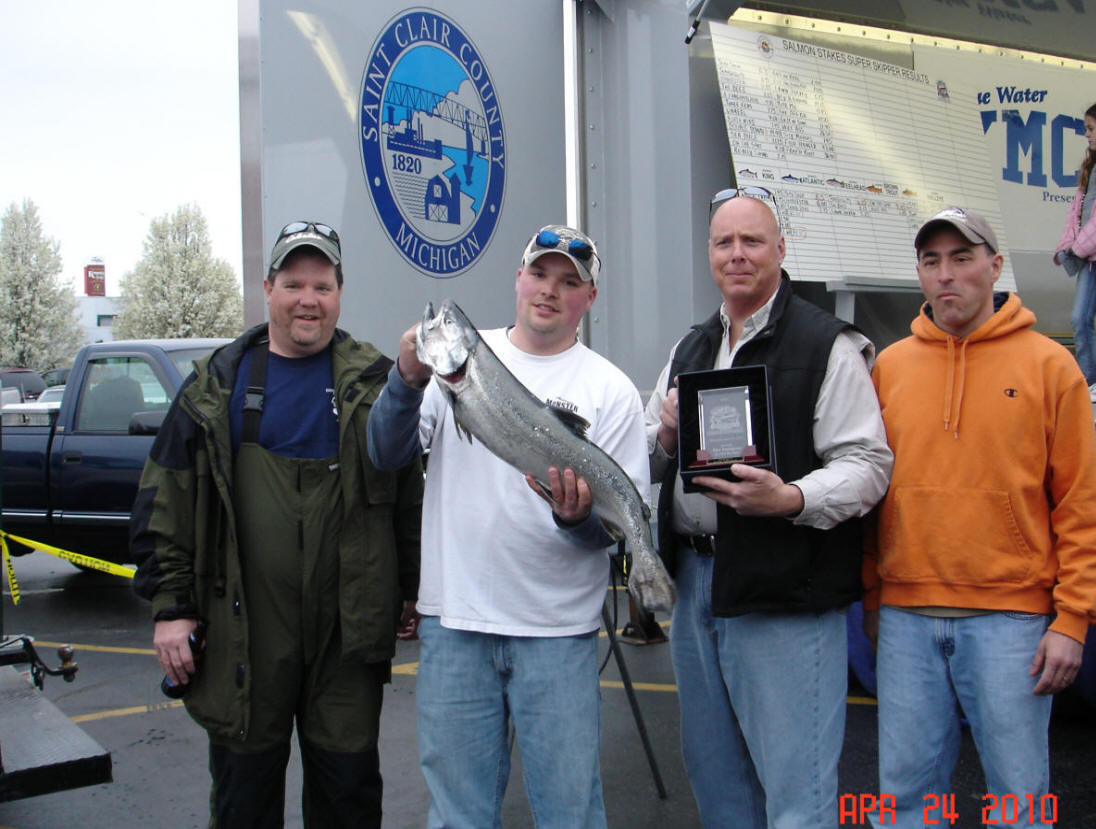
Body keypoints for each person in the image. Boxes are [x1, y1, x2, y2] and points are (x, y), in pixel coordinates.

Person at [130, 220, 423, 828]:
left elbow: (408, 499)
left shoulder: (373, 383)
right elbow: (164, 504)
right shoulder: (216, 386)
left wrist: (414, 588)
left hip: (346, 639)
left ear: (339, 293)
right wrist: (172, 608)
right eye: (293, 285)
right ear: (268, 290)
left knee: (349, 799)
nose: (307, 300)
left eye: (322, 286)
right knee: (245, 803)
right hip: (244, 636)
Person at [367, 225, 649, 829]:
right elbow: (386, 455)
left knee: (569, 814)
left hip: (558, 633)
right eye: (539, 274)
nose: (549, 290)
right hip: (455, 624)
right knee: (458, 816)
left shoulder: (612, 391)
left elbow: (609, 532)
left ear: (589, 298)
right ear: (518, 279)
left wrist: (577, 519)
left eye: (568, 282)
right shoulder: (456, 366)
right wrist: (406, 378)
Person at [646, 188, 892, 828]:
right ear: (709, 253)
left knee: (796, 792)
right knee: (717, 781)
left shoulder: (827, 345)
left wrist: (790, 498)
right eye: (724, 242)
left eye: (752, 241)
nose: (737, 254)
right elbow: (645, 457)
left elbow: (869, 466)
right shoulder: (689, 349)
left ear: (781, 249)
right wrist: (666, 433)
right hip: (695, 584)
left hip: (785, 592)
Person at [864, 207, 1096, 828]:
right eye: (931, 260)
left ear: (995, 267)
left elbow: (1081, 504)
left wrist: (1073, 619)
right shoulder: (889, 368)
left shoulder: (1051, 367)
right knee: (904, 806)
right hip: (906, 619)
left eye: (962, 258)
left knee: (1019, 805)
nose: (946, 274)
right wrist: (873, 599)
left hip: (1012, 624)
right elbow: (871, 496)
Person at [1054, 102, 1096, 402]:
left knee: (1082, 317)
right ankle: (1089, 381)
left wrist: (1078, 248)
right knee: (1081, 318)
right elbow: (1077, 213)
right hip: (1089, 259)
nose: (1087, 134)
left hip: (1088, 254)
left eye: (1091, 128)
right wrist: (1066, 245)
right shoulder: (1089, 167)